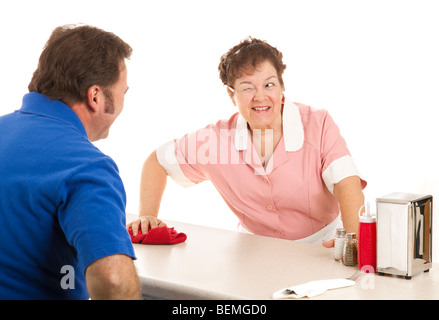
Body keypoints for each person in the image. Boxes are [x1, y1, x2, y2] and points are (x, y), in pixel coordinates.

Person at [128, 37, 366, 247]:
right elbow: (157, 161)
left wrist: (354, 239)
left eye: (269, 84)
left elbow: (347, 182)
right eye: (247, 88)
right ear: (231, 94)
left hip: (320, 246)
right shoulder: (215, 140)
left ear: (282, 86)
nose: (260, 96)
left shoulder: (318, 122)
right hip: (254, 251)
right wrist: (147, 215)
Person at [0, 24, 140, 299]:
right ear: (96, 96)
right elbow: (113, 281)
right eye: (123, 91)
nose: (124, 100)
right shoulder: (86, 166)